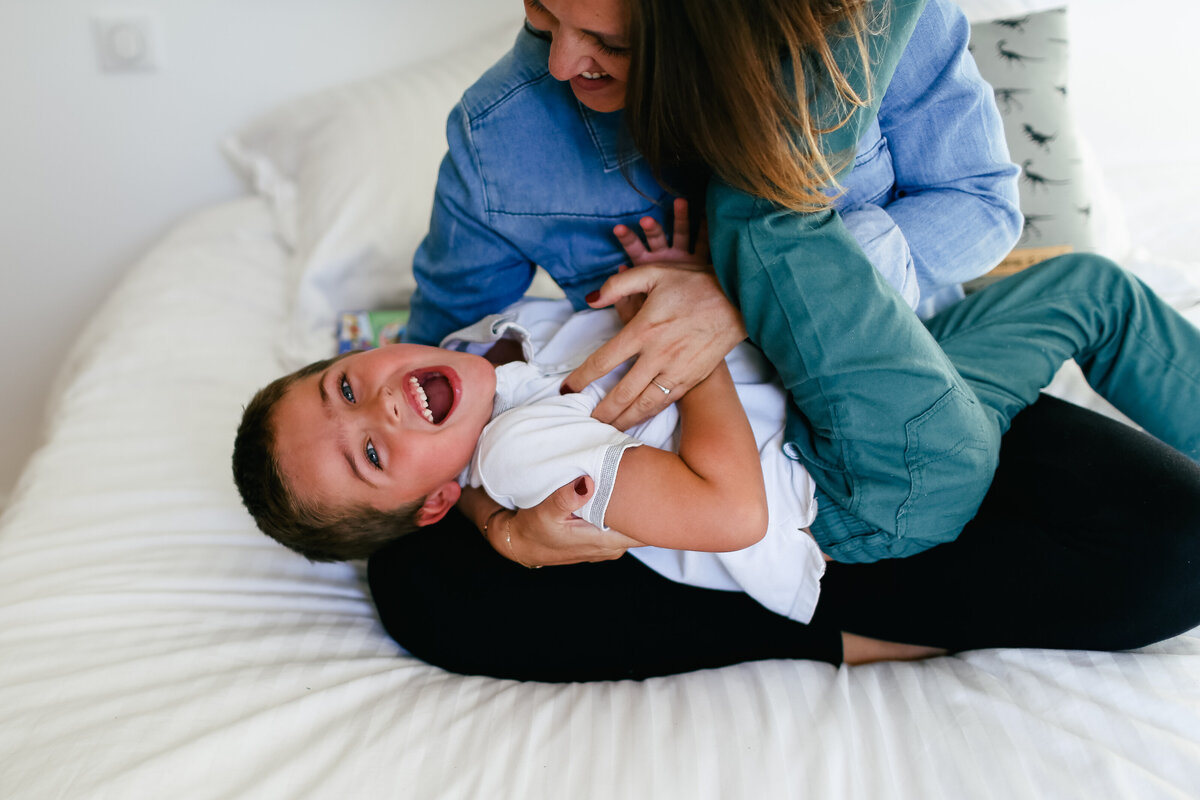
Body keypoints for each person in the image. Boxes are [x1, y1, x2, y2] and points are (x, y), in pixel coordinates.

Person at [362, 0, 1200, 680]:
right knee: (409, 577)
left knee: (1178, 547)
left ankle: (813, 610)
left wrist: (747, 299)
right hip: (697, 490)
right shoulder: (499, 135)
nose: (558, 63)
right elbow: (441, 356)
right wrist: (502, 528)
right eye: (541, 17)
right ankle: (817, 620)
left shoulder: (869, 29)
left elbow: (979, 205)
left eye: (606, 41)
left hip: (903, 393)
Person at [233, 215, 1200, 666]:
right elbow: (733, 512)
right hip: (862, 478)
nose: (383, 407)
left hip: (861, 422)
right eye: (369, 450)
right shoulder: (524, 452)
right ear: (431, 503)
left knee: (1090, 288)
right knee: (756, 214)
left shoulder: (478, 350)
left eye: (347, 385)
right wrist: (690, 342)